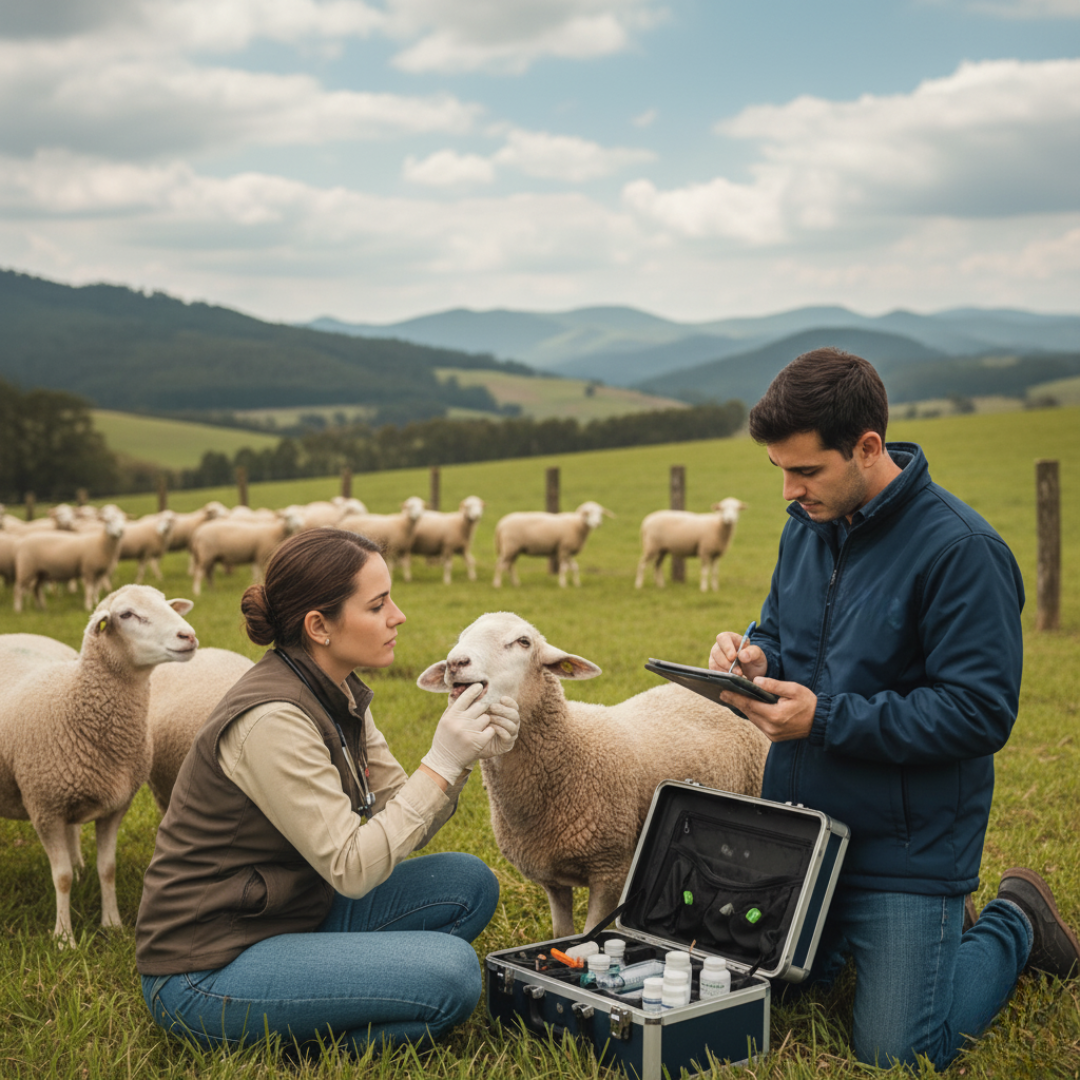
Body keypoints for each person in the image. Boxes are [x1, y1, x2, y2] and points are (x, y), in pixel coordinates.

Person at [708, 348, 1079, 1069]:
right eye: (780, 470)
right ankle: (909, 938)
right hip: (804, 835)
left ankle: (1013, 923)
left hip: (903, 850)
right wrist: (755, 658)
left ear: (869, 447)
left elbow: (979, 713)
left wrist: (825, 718)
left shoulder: (963, 551)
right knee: (747, 998)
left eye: (806, 470)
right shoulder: (805, 526)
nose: (789, 490)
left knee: (897, 1052)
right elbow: (782, 634)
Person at [136, 527, 520, 1056]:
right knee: (452, 974)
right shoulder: (273, 720)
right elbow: (353, 868)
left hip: (290, 913)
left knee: (467, 883)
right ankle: (313, 1048)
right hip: (207, 966)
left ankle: (331, 986)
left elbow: (400, 811)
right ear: (319, 625)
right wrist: (440, 760)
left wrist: (462, 758)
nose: (398, 616)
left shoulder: (336, 691)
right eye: (378, 604)